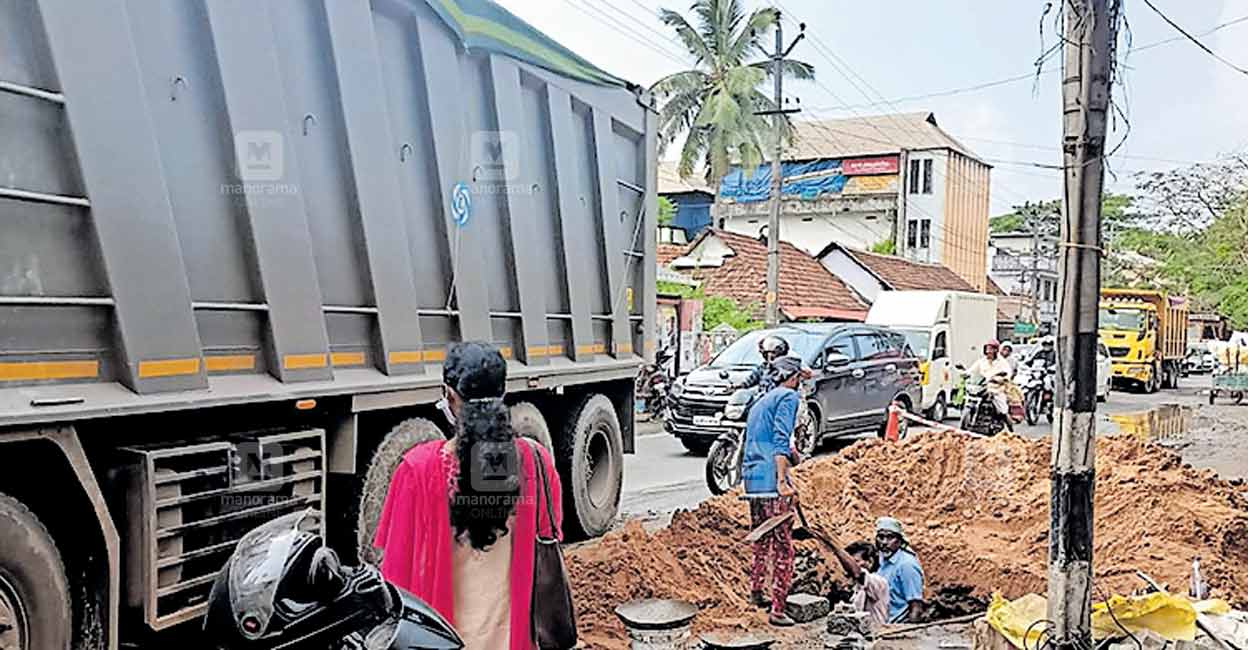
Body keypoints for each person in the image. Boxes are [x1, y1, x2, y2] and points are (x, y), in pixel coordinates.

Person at [373, 342, 563, 650]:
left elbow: (395, 578)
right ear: (503, 394)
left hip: (442, 642)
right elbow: (550, 541)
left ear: (448, 395)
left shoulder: (417, 470)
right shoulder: (536, 462)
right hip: (515, 640)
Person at [742, 355, 804, 627]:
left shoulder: (761, 401)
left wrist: (792, 456)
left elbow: (761, 439)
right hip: (771, 480)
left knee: (761, 539)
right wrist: (782, 480)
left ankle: (756, 592)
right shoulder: (789, 397)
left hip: (753, 478)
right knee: (783, 549)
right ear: (793, 378)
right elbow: (780, 439)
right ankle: (778, 610)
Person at [828, 539, 890, 629]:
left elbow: (857, 572)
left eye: (856, 561)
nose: (849, 565)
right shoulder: (856, 585)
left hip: (876, 633)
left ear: (870, 561)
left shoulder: (879, 582)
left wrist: (831, 543)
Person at [875, 517, 925, 624]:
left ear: (899, 540)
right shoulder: (882, 560)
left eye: (890, 537)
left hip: (897, 626)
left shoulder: (906, 565)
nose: (884, 542)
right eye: (881, 537)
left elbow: (916, 607)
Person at [967, 340, 1014, 416]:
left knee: (1003, 410)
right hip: (982, 387)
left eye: (991, 349)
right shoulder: (982, 361)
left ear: (996, 350)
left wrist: (1001, 379)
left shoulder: (1002, 362)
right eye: (987, 349)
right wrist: (965, 374)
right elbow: (972, 370)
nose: (988, 351)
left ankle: (1006, 421)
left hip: (997, 388)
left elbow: (1008, 374)